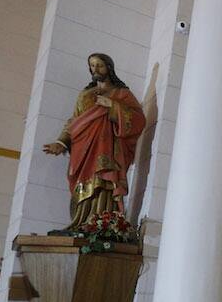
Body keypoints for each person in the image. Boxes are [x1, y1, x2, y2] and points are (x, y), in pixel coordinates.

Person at [41, 53, 145, 231]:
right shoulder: (85, 96)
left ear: (109, 68)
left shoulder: (122, 94)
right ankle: (81, 222)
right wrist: (61, 143)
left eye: (100, 65)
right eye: (92, 65)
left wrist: (112, 106)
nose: (95, 69)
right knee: (84, 186)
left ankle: (102, 225)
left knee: (104, 183)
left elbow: (138, 120)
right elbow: (75, 122)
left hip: (108, 151)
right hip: (84, 150)